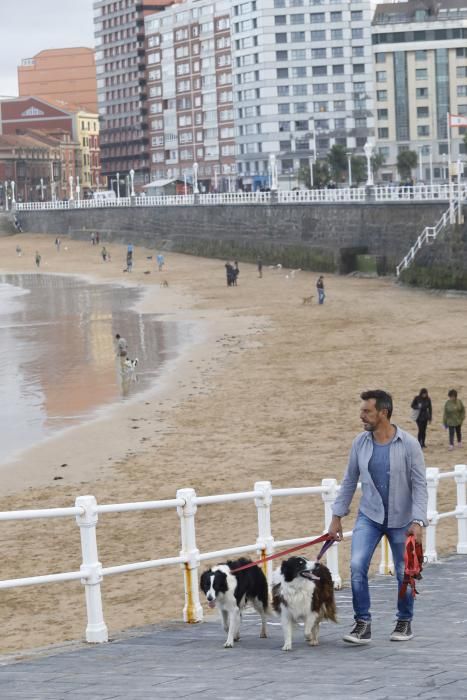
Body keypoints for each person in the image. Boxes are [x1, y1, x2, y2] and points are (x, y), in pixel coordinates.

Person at [328, 389, 427, 645]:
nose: (361, 415)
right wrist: (336, 517)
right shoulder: (360, 443)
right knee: (357, 565)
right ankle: (363, 623)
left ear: (383, 413)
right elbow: (350, 480)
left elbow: (419, 485)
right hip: (369, 516)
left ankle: (404, 621)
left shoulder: (408, 444)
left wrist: (418, 521)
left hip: (402, 520)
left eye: (366, 411)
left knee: (405, 572)